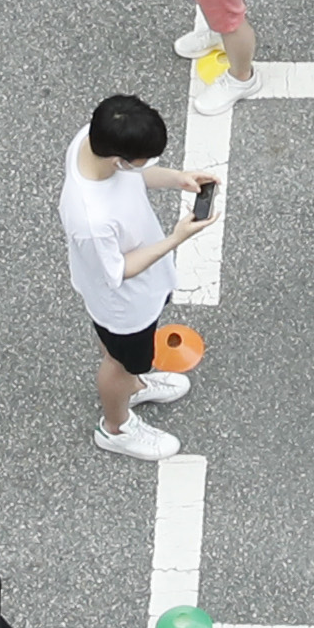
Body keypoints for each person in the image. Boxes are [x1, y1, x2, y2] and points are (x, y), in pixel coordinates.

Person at [64, 94, 214, 459]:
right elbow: (120, 270)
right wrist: (176, 239)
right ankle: (115, 428)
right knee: (118, 360)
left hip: (145, 288)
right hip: (125, 305)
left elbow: (138, 176)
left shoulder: (93, 141)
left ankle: (134, 384)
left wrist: (178, 179)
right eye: (143, 159)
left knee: (124, 358)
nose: (147, 165)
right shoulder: (92, 220)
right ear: (119, 160)